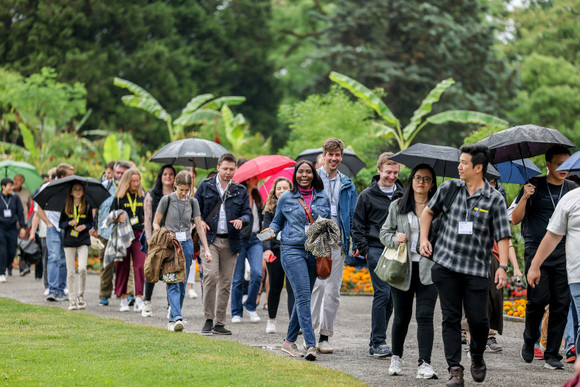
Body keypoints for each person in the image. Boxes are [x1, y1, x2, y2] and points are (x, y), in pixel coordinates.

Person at [419, 144, 511, 386]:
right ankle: (455, 370)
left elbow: (503, 235)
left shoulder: (495, 199)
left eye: (463, 163)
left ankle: (477, 356)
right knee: (450, 319)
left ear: (478, 168)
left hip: (476, 270)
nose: (458, 167)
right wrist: (423, 239)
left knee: (479, 320)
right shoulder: (450, 188)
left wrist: (502, 266)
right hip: (446, 266)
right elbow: (428, 213)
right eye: (459, 162)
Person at [512, 145, 576, 370]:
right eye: (558, 164)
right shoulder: (533, 186)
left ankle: (552, 354)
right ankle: (529, 339)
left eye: (566, 164)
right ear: (547, 164)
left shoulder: (572, 188)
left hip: (564, 252)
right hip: (536, 250)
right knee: (537, 300)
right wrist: (524, 197)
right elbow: (515, 219)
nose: (563, 168)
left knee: (561, 303)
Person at [263, 160, 331, 361]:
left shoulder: (322, 197)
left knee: (303, 297)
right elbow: (277, 222)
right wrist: (271, 231)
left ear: (313, 175)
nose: (304, 175)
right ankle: (311, 345)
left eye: (308, 171)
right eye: (300, 171)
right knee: (302, 296)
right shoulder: (286, 198)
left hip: (314, 252)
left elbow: (327, 224)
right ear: (295, 175)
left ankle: (288, 342)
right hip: (291, 249)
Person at [380, 164, 438, 379]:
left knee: (425, 316)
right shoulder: (397, 205)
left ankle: (425, 363)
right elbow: (384, 233)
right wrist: (395, 239)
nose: (421, 182)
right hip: (402, 267)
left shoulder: (438, 207)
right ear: (412, 180)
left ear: (432, 184)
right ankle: (396, 357)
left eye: (426, 179)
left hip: (429, 268)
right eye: (417, 177)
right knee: (402, 316)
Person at [352, 152, 404, 357]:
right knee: (382, 292)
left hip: (397, 250)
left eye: (396, 172)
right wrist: (364, 249)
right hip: (375, 249)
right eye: (388, 172)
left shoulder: (402, 193)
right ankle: (378, 342)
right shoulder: (366, 195)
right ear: (379, 170)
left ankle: (376, 341)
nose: (392, 176)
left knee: (391, 297)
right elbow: (357, 225)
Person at [194, 153, 251, 336]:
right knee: (210, 276)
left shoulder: (240, 190)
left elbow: (248, 214)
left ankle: (219, 322)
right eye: (225, 168)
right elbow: (193, 210)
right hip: (209, 239)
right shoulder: (205, 186)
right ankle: (208, 319)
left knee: (226, 282)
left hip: (231, 241)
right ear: (218, 167)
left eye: (231, 169)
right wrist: (200, 221)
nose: (228, 172)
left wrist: (242, 220)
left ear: (235, 169)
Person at [311, 137, 358, 354]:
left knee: (333, 291)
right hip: (317, 241)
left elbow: (353, 216)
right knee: (316, 288)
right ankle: (309, 332)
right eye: (330, 154)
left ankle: (325, 336)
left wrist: (355, 241)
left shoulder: (347, 183)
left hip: (338, 242)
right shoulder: (312, 179)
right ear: (324, 156)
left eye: (337, 155)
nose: (334, 158)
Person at [527, 184, 580, 368]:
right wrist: (535, 265)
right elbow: (553, 235)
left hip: (568, 267)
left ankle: (558, 357)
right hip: (574, 272)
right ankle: (531, 338)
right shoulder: (570, 198)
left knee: (567, 313)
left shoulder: (570, 192)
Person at [153, 170, 212, 332]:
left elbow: (199, 226)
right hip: (170, 244)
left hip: (186, 244)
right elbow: (156, 223)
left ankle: (173, 317)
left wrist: (206, 249)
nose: (184, 193)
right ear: (175, 186)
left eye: (187, 190)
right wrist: (165, 233)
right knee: (173, 279)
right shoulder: (166, 200)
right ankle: (177, 316)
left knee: (182, 282)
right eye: (181, 190)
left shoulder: (192, 202)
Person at [92, 161, 132, 306]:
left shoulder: (131, 187)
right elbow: (95, 205)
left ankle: (128, 293)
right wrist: (94, 226)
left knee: (127, 264)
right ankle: (104, 294)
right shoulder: (105, 186)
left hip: (124, 231)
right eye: (117, 172)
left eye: (122, 173)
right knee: (105, 264)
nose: (119, 175)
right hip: (105, 230)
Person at [35, 163, 75, 301]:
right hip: (53, 228)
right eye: (70, 175)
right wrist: (48, 223)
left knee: (64, 260)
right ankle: (52, 291)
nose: (73, 177)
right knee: (54, 257)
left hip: (66, 227)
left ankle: (60, 290)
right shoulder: (48, 188)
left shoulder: (72, 189)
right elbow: (38, 207)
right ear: (62, 176)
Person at [141, 164, 176, 317]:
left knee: (170, 272)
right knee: (152, 270)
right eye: (165, 174)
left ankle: (171, 306)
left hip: (172, 239)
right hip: (155, 238)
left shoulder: (178, 195)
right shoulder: (151, 195)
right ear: (160, 177)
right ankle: (147, 302)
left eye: (171, 174)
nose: (168, 177)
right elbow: (147, 219)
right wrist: (150, 240)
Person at [262, 177, 295, 334]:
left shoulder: (297, 206)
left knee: (292, 288)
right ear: (274, 191)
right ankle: (271, 319)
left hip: (292, 249)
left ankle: (293, 323)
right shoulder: (269, 209)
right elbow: (265, 231)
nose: (282, 190)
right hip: (274, 251)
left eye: (285, 187)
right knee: (274, 286)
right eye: (279, 188)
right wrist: (266, 249)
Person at [110, 168, 146, 313]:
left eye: (138, 181)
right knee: (122, 267)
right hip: (123, 234)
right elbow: (110, 216)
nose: (136, 184)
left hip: (138, 234)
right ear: (127, 181)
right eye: (133, 181)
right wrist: (117, 217)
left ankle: (138, 298)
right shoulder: (119, 198)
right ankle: (123, 299)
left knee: (140, 265)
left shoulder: (142, 196)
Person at [231, 176, 264, 324]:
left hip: (256, 239)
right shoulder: (239, 195)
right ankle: (236, 311)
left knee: (257, 273)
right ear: (247, 180)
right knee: (237, 278)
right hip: (240, 239)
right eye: (254, 178)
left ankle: (250, 306)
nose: (257, 180)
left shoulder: (258, 196)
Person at [59, 184, 93, 310]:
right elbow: (61, 224)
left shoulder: (87, 205)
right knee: (71, 271)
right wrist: (69, 223)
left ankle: (80, 295)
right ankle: (72, 299)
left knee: (83, 268)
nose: (78, 192)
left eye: (80, 189)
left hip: (83, 240)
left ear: (83, 192)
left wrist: (84, 226)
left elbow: (90, 222)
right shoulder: (66, 206)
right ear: (71, 193)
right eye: (75, 190)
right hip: (69, 241)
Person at [0, 178, 26, 283]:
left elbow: (20, 212)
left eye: (12, 185)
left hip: (12, 228)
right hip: (1, 228)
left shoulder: (15, 198)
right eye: (9, 186)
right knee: (2, 250)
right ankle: (1, 272)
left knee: (12, 250)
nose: (12, 188)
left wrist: (23, 227)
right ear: (3, 186)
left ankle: (6, 265)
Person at [11, 173, 33, 276]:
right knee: (11, 247)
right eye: (15, 179)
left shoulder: (26, 192)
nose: (16, 182)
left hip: (23, 224)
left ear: (22, 182)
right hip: (10, 224)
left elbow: (31, 208)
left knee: (24, 246)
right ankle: (8, 266)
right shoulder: (8, 192)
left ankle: (23, 267)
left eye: (18, 180)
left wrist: (28, 223)